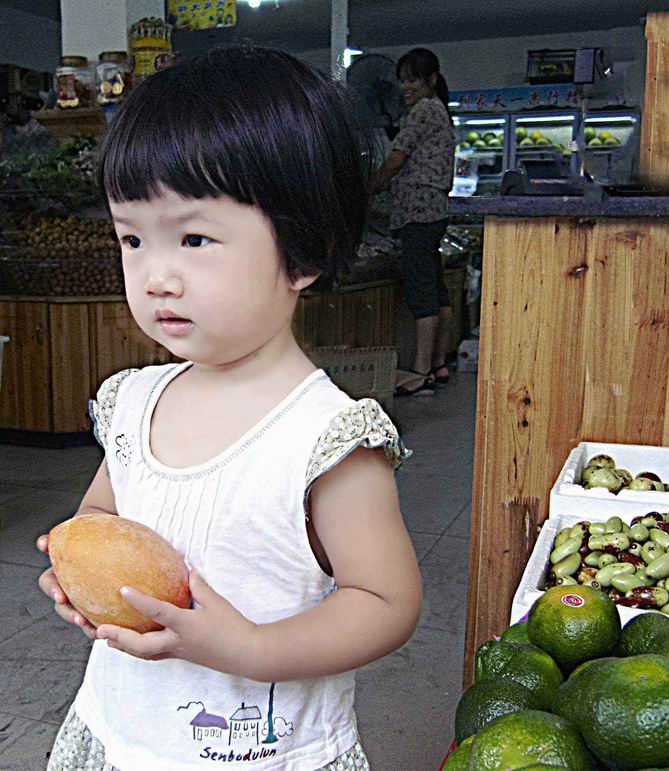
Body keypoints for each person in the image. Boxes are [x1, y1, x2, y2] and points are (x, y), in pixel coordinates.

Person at [36, 46, 422, 771]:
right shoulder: (134, 400)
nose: (156, 275)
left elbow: (386, 601)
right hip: (126, 732)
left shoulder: (327, 438)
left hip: (258, 748)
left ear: (303, 252)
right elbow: (101, 515)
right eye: (131, 238)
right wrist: (77, 561)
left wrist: (250, 648)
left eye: (193, 238)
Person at [372, 48, 456, 397]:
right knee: (436, 290)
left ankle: (420, 372)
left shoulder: (421, 112)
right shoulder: (440, 112)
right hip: (433, 211)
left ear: (431, 80)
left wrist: (366, 189)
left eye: (413, 79)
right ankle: (438, 364)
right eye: (402, 80)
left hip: (417, 213)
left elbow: (395, 160)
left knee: (421, 293)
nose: (406, 87)